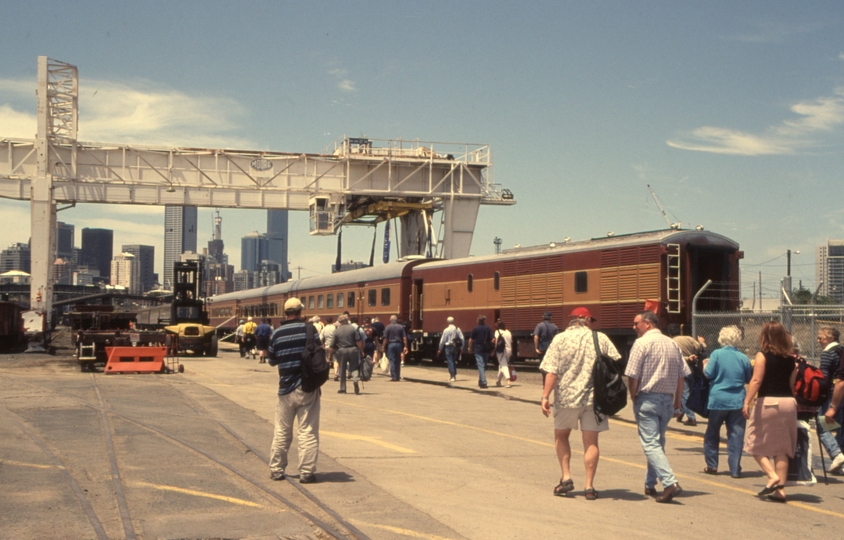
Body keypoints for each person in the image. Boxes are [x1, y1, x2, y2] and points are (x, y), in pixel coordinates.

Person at [540, 307, 621, 500]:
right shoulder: (600, 338)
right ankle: (589, 487)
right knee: (591, 442)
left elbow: (552, 372)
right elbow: (615, 362)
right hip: (595, 400)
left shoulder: (560, 339)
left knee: (561, 436)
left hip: (567, 397)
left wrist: (545, 396)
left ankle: (566, 477)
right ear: (585, 320)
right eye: (591, 320)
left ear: (572, 320)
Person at [625, 310, 689, 503]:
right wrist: (677, 402)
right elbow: (681, 375)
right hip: (667, 401)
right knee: (658, 443)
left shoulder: (642, 343)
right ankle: (650, 483)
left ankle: (670, 483)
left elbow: (632, 375)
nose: (634, 327)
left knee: (651, 443)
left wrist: (634, 397)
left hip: (648, 398)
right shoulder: (672, 343)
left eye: (637, 323)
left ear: (648, 324)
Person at [742, 321, 797, 503]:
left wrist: (747, 401)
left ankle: (771, 476)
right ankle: (780, 491)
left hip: (768, 402)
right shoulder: (791, 360)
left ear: (765, 336)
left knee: (753, 442)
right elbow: (791, 385)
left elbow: (756, 380)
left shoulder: (762, 356)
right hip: (788, 402)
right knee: (782, 448)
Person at [267, 298, 320, 484]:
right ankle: (306, 472)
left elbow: (272, 360)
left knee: (282, 431)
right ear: (300, 312)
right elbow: (318, 353)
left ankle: (276, 470)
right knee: (308, 431)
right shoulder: (310, 330)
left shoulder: (277, 333)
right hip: (308, 388)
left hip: (285, 389)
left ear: (285, 313)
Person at [701, 325, 752, 478]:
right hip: (738, 400)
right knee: (736, 435)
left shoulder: (716, 354)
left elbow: (709, 374)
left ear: (721, 338)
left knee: (712, 432)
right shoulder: (744, 357)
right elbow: (749, 378)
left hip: (718, 399)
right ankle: (735, 468)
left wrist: (704, 364)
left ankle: (712, 465)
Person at [815, 327, 844, 473]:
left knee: (823, 426)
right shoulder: (841, 350)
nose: (818, 341)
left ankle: (836, 453)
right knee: (840, 427)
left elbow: (824, 377)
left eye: (821, 338)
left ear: (831, 338)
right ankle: (840, 461)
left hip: (831, 395)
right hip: (842, 395)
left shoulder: (827, 353)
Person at [668, 324, 706, 427]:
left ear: (670, 334)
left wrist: (687, 358)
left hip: (682, 369)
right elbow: (700, 348)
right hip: (693, 369)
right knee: (687, 391)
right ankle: (681, 413)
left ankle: (691, 417)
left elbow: (674, 357)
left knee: (684, 393)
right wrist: (702, 343)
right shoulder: (689, 338)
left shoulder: (672, 342)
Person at [329, 314, 364, 395]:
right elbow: (358, 341)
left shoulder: (336, 331)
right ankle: (355, 380)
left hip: (341, 350)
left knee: (342, 369)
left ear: (339, 322)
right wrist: (361, 350)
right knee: (354, 367)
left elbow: (332, 346)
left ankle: (343, 388)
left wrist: (330, 355)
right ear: (347, 320)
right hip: (352, 349)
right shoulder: (352, 328)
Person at [468, 314, 494, 389]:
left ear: (478, 321)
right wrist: (492, 349)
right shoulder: (488, 328)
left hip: (478, 350)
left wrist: (470, 348)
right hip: (486, 350)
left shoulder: (475, 329)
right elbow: (493, 339)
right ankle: (481, 381)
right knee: (483, 366)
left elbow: (470, 340)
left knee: (480, 366)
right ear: (484, 321)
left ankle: (483, 382)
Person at [438, 317, 464, 382]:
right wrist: (461, 347)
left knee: (450, 361)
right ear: (453, 321)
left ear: (447, 322)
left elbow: (442, 340)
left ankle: (452, 375)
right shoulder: (457, 329)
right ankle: (454, 374)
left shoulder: (446, 330)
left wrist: (440, 348)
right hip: (455, 347)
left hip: (448, 346)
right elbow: (462, 338)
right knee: (453, 360)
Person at [382, 315, 408, 381]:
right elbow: (404, 338)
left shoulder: (388, 327)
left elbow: (385, 339)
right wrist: (405, 346)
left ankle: (394, 376)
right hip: (399, 344)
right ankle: (398, 376)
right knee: (398, 361)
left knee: (392, 360)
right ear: (396, 320)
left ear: (390, 320)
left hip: (391, 344)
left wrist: (383, 346)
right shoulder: (400, 327)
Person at [494, 320, 513, 388]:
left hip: (501, 351)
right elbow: (511, 342)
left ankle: (508, 381)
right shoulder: (508, 332)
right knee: (501, 365)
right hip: (509, 350)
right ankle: (498, 381)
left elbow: (496, 342)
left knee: (504, 365)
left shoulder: (498, 332)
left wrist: (494, 350)